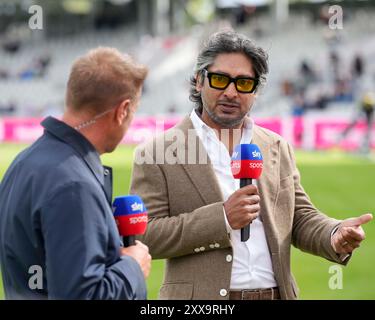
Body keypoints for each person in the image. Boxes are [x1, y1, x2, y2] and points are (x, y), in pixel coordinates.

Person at [130, 31, 372, 300]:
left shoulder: (276, 146)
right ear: (199, 81)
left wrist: (333, 234)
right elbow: (145, 234)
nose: (231, 92)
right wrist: (222, 218)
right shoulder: (157, 152)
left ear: (255, 90)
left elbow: (298, 217)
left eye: (244, 83)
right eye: (220, 80)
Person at [0, 47, 151, 299]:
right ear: (122, 110)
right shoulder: (74, 184)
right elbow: (82, 295)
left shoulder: (22, 162)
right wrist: (132, 267)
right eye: (133, 113)